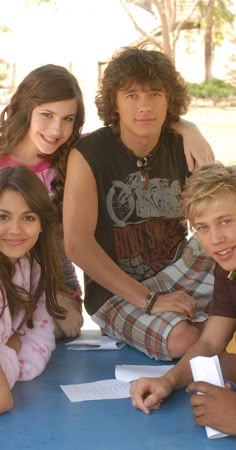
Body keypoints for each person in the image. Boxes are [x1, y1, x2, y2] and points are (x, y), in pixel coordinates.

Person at [63, 45, 215, 361]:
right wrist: (149, 300)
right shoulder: (89, 154)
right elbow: (76, 244)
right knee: (183, 339)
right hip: (116, 291)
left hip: (178, 267)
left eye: (155, 94)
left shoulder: (183, 143)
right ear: (115, 104)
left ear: (169, 100)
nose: (144, 106)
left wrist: (190, 128)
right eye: (132, 96)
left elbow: (218, 209)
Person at [130, 161, 236, 436]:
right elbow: (211, 341)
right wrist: (167, 381)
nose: (216, 239)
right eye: (202, 227)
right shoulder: (228, 270)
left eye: (226, 221)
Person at [0, 64, 85, 338]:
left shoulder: (74, 157)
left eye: (67, 119)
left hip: (53, 275)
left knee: (67, 326)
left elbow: (128, 134)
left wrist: (186, 127)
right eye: (47, 115)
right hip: (4, 274)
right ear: (26, 109)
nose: (56, 129)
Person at [0, 166, 68, 414]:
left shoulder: (32, 264)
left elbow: (40, 334)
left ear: (42, 224)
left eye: (28, 218)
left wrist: (9, 357)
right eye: (2, 217)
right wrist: (12, 347)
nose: (15, 230)